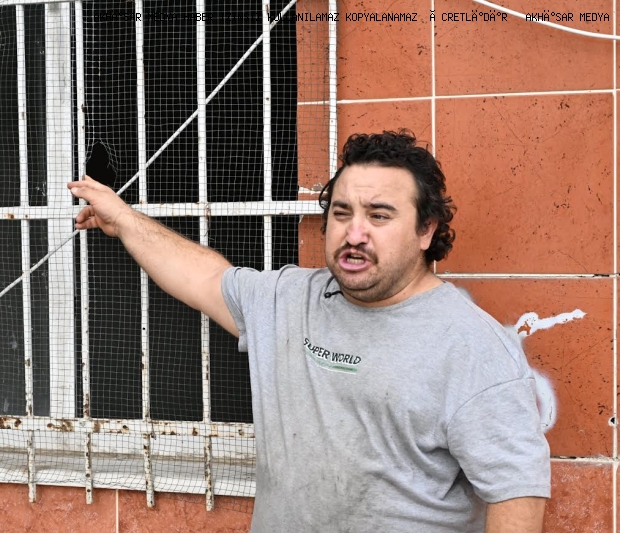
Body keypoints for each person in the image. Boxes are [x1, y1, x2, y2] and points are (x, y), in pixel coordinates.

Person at [68, 130, 551, 533]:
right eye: (341, 213)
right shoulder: (289, 299)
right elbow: (203, 276)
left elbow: (516, 495)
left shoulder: (471, 344)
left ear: (426, 230)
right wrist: (123, 219)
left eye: (379, 216)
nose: (354, 233)